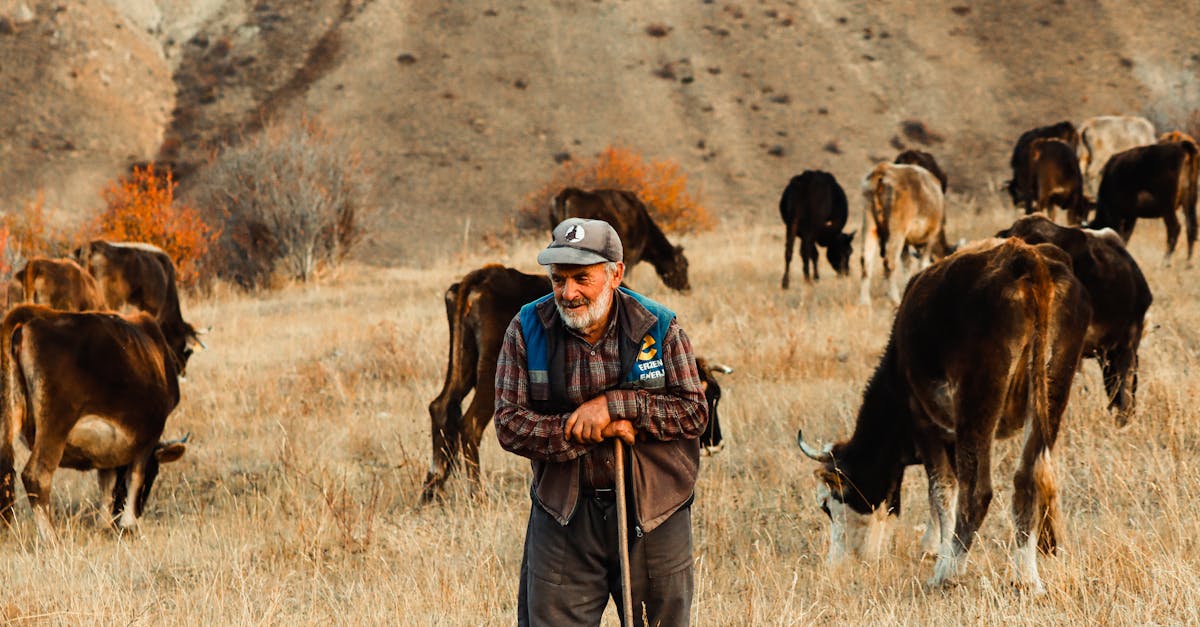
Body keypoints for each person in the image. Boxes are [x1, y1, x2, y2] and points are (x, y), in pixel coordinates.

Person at [495, 217, 709, 626]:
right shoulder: (526, 328)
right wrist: (586, 429)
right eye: (559, 279)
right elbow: (509, 423)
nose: (568, 293)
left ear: (616, 274)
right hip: (564, 514)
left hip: (654, 514)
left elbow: (694, 412)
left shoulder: (659, 327)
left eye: (582, 278)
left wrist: (616, 406)